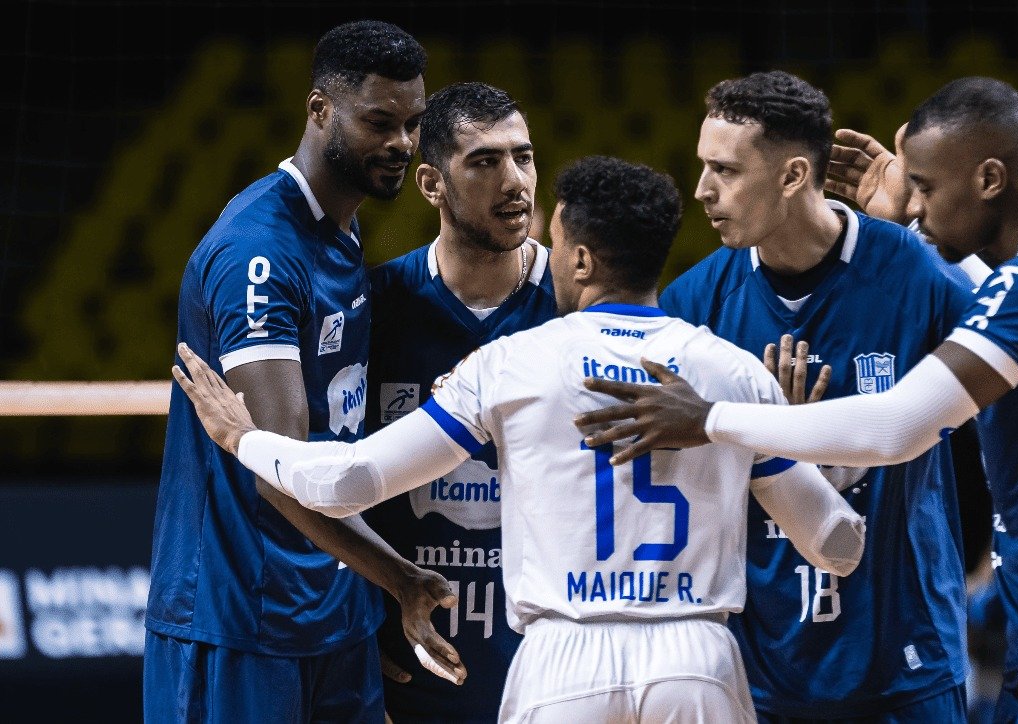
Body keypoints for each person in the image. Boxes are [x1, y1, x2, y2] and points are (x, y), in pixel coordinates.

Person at [577, 76, 1018, 722]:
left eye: (926, 187)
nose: (913, 207)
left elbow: (898, 425)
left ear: (988, 179)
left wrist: (714, 420)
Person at [170, 154, 868, 724]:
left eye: (555, 245)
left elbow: (350, 481)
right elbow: (837, 544)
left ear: (583, 260)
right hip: (697, 660)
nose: (547, 259)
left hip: (564, 664)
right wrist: (803, 449)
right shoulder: (734, 373)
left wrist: (242, 439)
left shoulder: (511, 364)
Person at [144, 20, 462, 724]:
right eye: (379, 122)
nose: (402, 143)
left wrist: (362, 602)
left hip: (331, 614)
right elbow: (280, 468)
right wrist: (400, 579)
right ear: (320, 110)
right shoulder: (258, 251)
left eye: (412, 124)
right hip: (239, 619)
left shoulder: (341, 228)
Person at [653, 69, 979, 722]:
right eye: (704, 166)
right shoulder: (694, 303)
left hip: (905, 658)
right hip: (765, 665)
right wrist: (779, 444)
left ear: (794, 175)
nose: (703, 189)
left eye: (726, 170)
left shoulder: (912, 270)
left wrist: (924, 225)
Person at [363, 81, 555, 723]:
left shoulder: (576, 306)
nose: (515, 181)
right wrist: (351, 627)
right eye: (485, 161)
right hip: (408, 675)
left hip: (553, 673)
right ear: (431, 184)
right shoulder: (377, 305)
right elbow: (330, 472)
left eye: (524, 157)